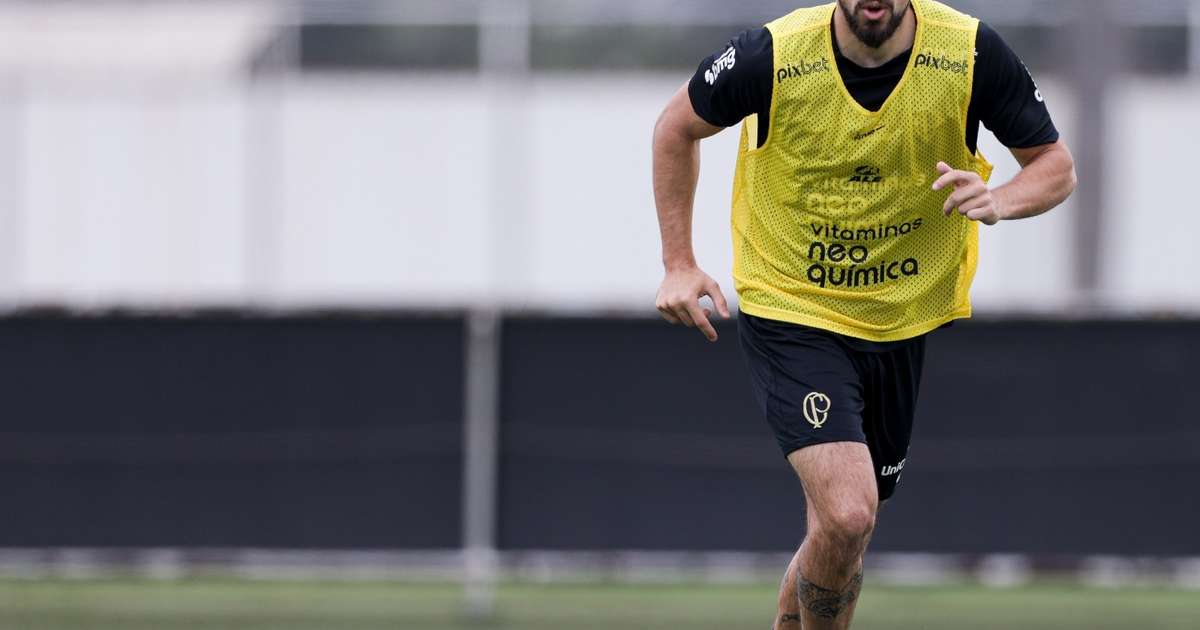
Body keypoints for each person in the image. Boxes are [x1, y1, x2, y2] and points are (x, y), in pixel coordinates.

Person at [650, 0, 1076, 628]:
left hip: (900, 321)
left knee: (840, 531)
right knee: (850, 512)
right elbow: (674, 128)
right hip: (792, 304)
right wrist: (679, 262)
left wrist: (1000, 198)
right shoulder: (773, 54)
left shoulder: (969, 53)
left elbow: (1056, 167)